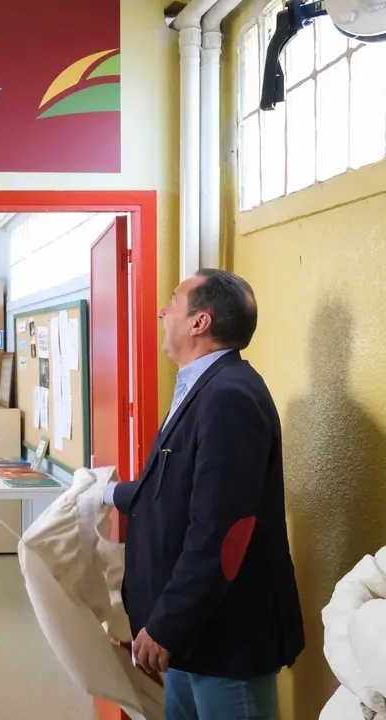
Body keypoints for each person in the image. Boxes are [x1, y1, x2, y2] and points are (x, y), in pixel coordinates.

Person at [104, 269, 304, 719]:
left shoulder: (229, 396)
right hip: (189, 639)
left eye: (173, 301)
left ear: (199, 322)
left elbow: (224, 531)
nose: (161, 310)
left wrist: (168, 623)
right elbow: (174, 490)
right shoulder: (203, 389)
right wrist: (108, 492)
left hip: (223, 643)